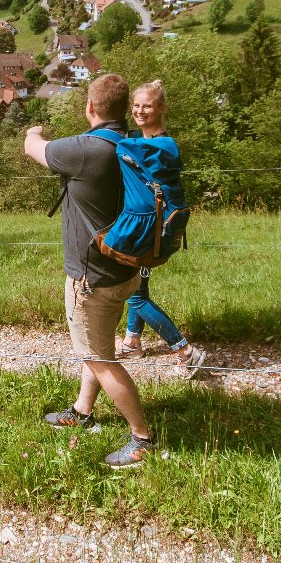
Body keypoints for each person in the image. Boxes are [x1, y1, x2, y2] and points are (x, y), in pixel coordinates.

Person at [24, 73, 153, 469]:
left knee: (99, 357)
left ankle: (142, 439)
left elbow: (34, 148)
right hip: (126, 269)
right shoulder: (135, 145)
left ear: (91, 108)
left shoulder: (84, 150)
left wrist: (34, 129)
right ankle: (82, 411)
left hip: (91, 277)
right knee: (99, 345)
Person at [115, 80, 206, 378]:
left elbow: (122, 148)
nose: (140, 111)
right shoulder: (155, 142)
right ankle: (132, 340)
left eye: (148, 106)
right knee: (138, 283)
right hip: (156, 225)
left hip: (148, 228)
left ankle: (184, 350)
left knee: (135, 295)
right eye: (136, 105)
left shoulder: (158, 146)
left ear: (162, 109)